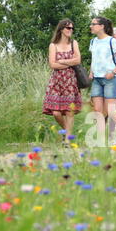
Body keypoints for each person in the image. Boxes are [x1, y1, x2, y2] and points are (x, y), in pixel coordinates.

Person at [43, 19, 82, 147]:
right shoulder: (53, 45)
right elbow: (52, 64)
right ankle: (68, 132)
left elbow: (78, 60)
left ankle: (67, 141)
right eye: (68, 28)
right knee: (56, 112)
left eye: (72, 28)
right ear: (61, 30)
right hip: (56, 81)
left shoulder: (73, 43)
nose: (70, 30)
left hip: (71, 81)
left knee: (69, 111)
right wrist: (69, 61)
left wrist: (63, 62)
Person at [89, 17, 116, 144]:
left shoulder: (112, 41)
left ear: (101, 26)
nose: (91, 26)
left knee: (111, 111)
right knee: (98, 111)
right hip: (96, 80)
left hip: (110, 80)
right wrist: (91, 71)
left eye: (93, 24)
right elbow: (95, 59)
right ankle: (101, 141)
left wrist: (113, 72)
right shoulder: (93, 41)